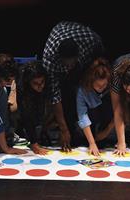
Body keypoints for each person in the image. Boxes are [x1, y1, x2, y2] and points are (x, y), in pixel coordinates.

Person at [42, 21, 104, 151]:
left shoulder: (89, 40)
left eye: (72, 63)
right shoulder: (49, 59)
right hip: (59, 42)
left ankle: (92, 132)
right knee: (66, 94)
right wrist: (64, 129)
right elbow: (55, 96)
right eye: (67, 64)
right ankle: (70, 130)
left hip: (90, 53)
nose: (69, 66)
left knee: (89, 89)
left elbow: (100, 54)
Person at [8, 61, 53, 155]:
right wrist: (34, 143)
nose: (40, 86)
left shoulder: (47, 81)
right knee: (15, 110)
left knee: (41, 110)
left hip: (37, 95)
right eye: (36, 83)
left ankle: (40, 132)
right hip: (21, 92)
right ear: (29, 82)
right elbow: (26, 113)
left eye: (42, 82)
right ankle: (16, 131)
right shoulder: (22, 84)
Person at [76, 58, 114, 156]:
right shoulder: (83, 90)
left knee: (102, 143)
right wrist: (92, 143)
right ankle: (92, 138)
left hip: (108, 114)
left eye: (104, 85)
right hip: (92, 115)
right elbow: (82, 116)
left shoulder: (112, 87)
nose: (101, 88)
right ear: (91, 81)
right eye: (98, 85)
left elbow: (119, 110)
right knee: (89, 141)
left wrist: (109, 128)